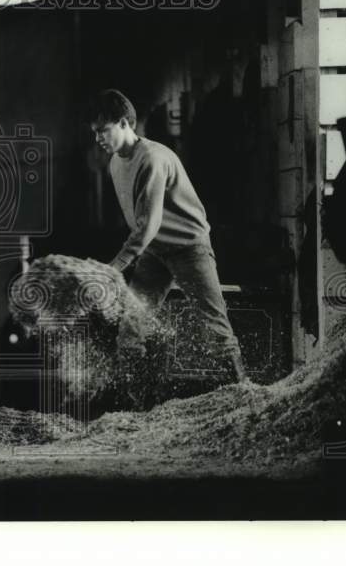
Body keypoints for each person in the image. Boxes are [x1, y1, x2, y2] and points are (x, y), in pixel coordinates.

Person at [89, 88, 249, 383]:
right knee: (131, 330)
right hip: (154, 252)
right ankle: (133, 408)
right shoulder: (114, 163)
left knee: (215, 329)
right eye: (94, 132)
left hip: (189, 248)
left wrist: (114, 268)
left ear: (125, 123)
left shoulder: (152, 158)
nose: (98, 138)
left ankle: (245, 394)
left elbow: (148, 224)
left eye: (103, 130)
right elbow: (141, 224)